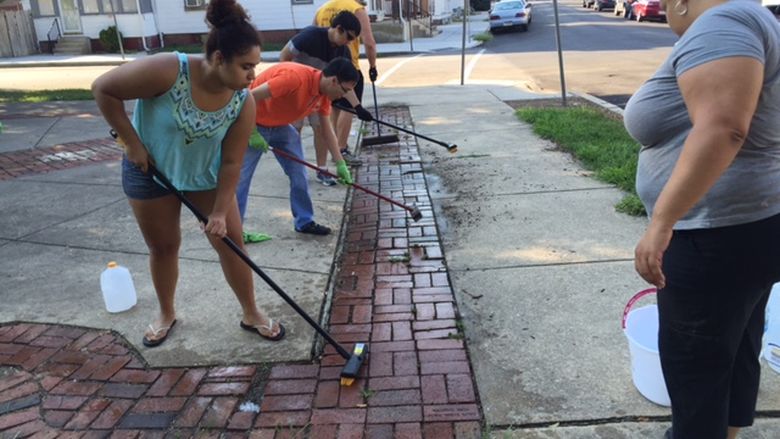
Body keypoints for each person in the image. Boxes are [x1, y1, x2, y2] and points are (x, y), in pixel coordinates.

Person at [624, 0, 780, 437]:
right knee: (735, 349)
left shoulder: (723, 23)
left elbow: (724, 126)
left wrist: (662, 222)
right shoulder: (757, 19)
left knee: (695, 374)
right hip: (751, 228)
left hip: (713, 236)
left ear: (680, 2)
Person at [91, 0, 285, 347]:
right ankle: (166, 313)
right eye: (246, 66)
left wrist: (221, 212)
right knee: (164, 247)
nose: (252, 76)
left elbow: (231, 163)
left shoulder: (243, 102)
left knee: (231, 244)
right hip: (149, 171)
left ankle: (251, 312)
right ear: (219, 58)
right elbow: (103, 89)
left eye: (255, 66)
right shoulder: (170, 69)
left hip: (204, 176)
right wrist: (132, 143)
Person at [236, 58, 358, 236]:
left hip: (281, 127)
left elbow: (327, 129)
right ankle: (234, 231)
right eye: (344, 90)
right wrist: (252, 131)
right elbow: (247, 97)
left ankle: (304, 221)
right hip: (253, 123)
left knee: (299, 172)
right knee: (241, 178)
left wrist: (340, 164)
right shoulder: (294, 78)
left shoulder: (323, 95)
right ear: (333, 81)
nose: (343, 96)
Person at [280, 11, 373, 187]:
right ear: (339, 29)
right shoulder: (310, 36)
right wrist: (290, 82)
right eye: (349, 37)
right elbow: (284, 55)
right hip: (297, 91)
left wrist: (358, 108)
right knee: (294, 130)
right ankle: (295, 169)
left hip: (318, 94)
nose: (350, 42)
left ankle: (322, 170)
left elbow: (345, 84)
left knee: (322, 130)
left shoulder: (342, 51)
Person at [314, 0, 379, 167]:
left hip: (328, 71)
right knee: (349, 108)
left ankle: (334, 148)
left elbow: (316, 34)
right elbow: (369, 42)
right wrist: (373, 66)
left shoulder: (322, 9)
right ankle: (341, 149)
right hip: (349, 68)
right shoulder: (357, 9)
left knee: (334, 108)